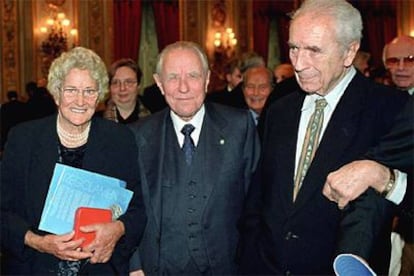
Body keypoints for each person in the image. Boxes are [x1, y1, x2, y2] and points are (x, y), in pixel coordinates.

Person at [238, 0, 410, 275]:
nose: (298, 63)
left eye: (314, 50)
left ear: (349, 51)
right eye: (294, 47)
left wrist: (382, 178)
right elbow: (260, 196)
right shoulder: (280, 108)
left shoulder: (391, 109)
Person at [0, 47, 147, 275]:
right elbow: (3, 212)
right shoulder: (24, 139)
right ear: (56, 93)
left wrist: (119, 228)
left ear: (99, 96)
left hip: (99, 268)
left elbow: (139, 207)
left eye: (89, 91)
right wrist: (39, 242)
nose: (80, 100)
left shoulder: (120, 139)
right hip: (34, 266)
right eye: (71, 90)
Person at [129, 41, 260, 275]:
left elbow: (257, 204)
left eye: (192, 75)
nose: (183, 87)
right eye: (172, 77)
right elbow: (127, 207)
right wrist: (135, 265)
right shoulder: (137, 135)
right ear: (159, 83)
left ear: (207, 79)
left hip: (227, 266)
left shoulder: (239, 127)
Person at [103, 58, 150, 123]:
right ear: (109, 87)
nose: (122, 88)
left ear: (138, 86)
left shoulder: (154, 119)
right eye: (116, 82)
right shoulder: (95, 121)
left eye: (129, 82)